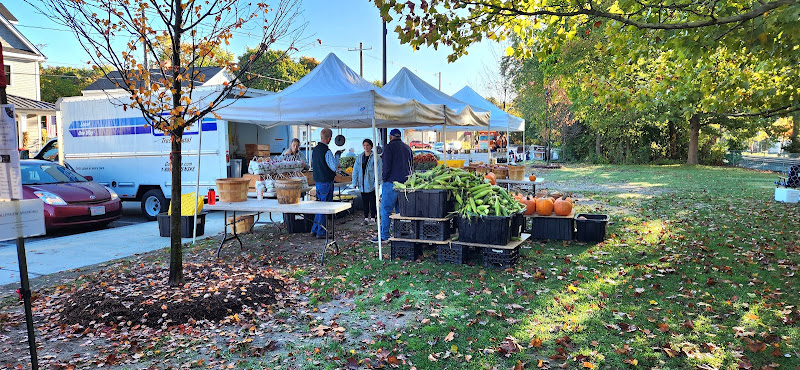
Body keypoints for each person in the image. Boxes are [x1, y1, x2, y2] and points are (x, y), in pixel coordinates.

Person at [373, 129, 412, 243]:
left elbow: (386, 166)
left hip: (391, 183)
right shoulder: (407, 148)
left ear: (390, 137)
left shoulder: (388, 148)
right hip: (405, 184)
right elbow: (411, 166)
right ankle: (400, 234)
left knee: (386, 210)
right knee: (401, 211)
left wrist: (384, 179)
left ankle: (384, 236)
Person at [310, 128, 343, 238]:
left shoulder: (315, 150)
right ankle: (321, 231)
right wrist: (337, 155)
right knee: (324, 207)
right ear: (329, 138)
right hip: (326, 182)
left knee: (319, 206)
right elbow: (333, 167)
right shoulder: (327, 151)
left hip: (318, 181)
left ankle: (314, 229)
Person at [351, 139, 381, 225]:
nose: (366, 147)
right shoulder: (360, 157)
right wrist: (354, 182)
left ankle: (373, 217)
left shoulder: (376, 157)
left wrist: (377, 182)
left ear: (371, 146)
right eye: (364, 145)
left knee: (372, 200)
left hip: (371, 182)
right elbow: (355, 170)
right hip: (362, 183)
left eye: (367, 145)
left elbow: (378, 171)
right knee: (365, 201)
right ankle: (365, 217)